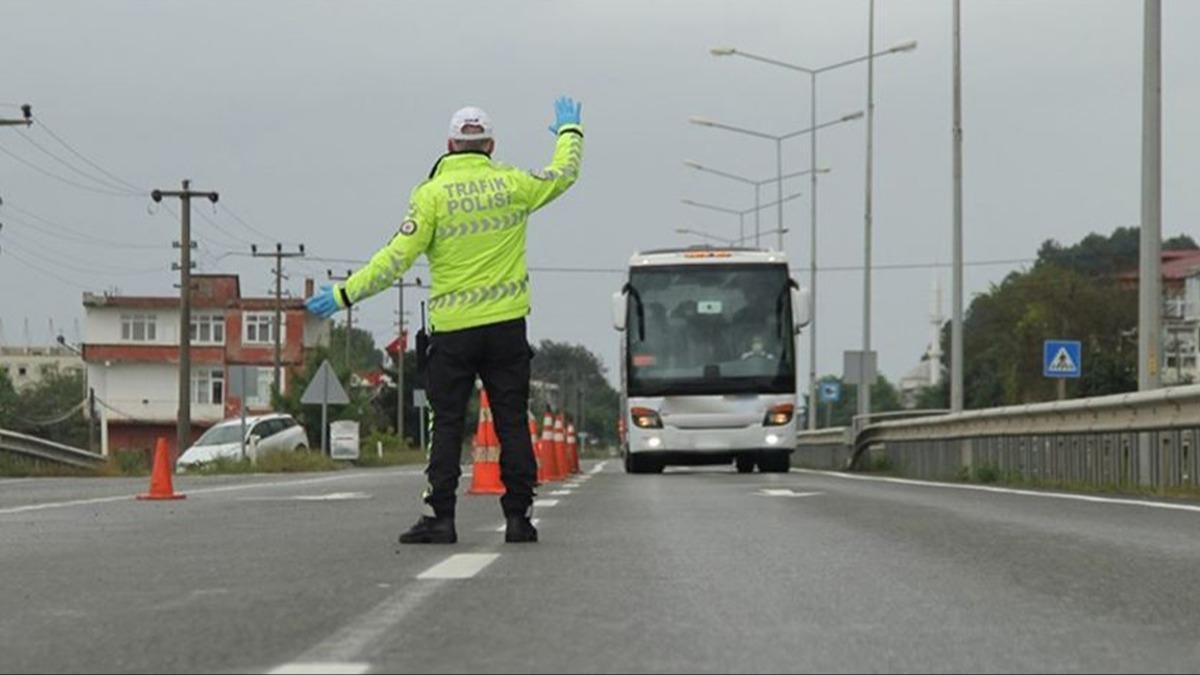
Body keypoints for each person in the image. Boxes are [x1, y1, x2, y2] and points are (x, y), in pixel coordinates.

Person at [305, 97, 584, 544]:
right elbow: (564, 174)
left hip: (453, 332)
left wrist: (343, 294)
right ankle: (519, 518)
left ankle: (441, 517)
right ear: (490, 145)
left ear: (450, 144)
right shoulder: (514, 184)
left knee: (447, 422)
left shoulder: (431, 195)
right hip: (507, 326)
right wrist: (570, 133)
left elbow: (394, 259)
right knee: (512, 420)